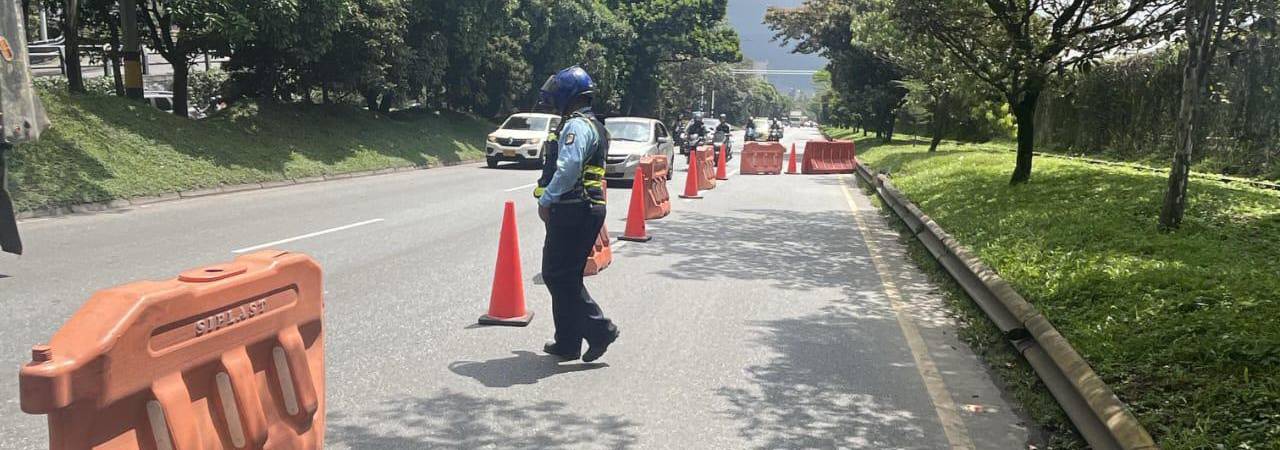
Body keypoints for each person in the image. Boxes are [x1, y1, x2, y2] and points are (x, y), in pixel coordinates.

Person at [532, 66, 619, 363]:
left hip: (574, 207)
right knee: (566, 276)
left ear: (569, 95)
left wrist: (547, 199)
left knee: (557, 276)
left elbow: (569, 169)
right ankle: (567, 342)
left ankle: (600, 330)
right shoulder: (593, 124)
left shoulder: (576, 126)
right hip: (583, 207)